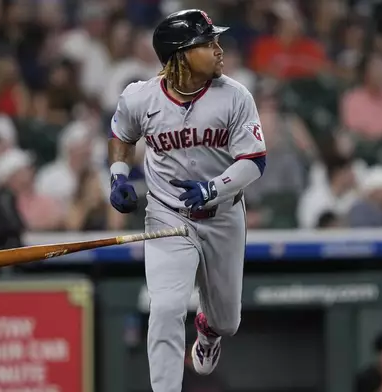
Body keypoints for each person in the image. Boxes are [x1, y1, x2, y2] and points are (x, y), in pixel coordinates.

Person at [108, 9, 266, 392]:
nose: (218, 49)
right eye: (207, 43)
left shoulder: (235, 95)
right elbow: (121, 135)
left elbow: (255, 161)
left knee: (227, 321)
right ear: (179, 54)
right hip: (168, 215)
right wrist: (118, 176)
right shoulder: (140, 97)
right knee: (164, 308)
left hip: (222, 213)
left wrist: (213, 188)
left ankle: (207, 331)